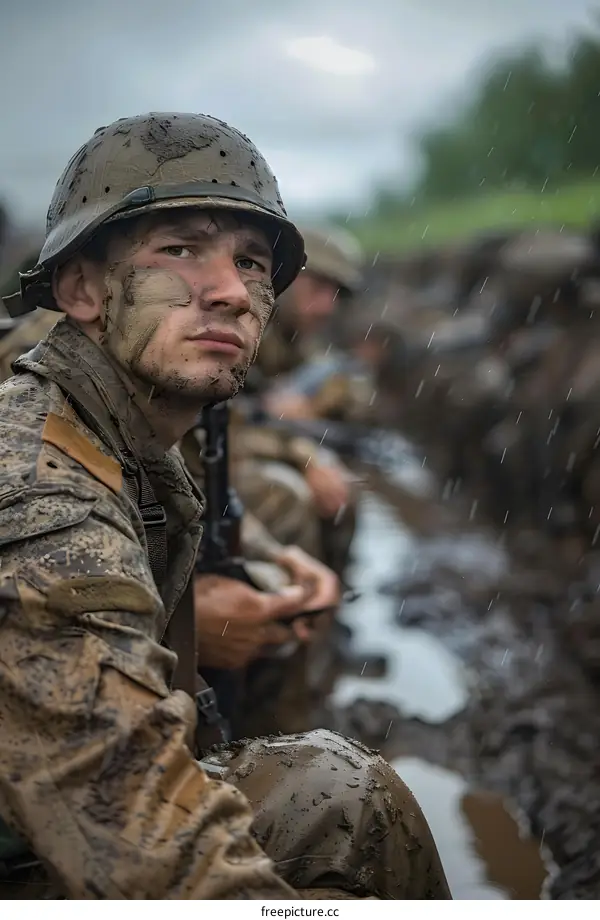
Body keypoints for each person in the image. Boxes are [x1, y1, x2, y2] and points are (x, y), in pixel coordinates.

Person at [0, 112, 450, 900]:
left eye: (251, 263)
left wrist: (268, 559)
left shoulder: (130, 414)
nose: (232, 291)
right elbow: (144, 849)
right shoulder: (44, 491)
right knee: (346, 798)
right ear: (79, 289)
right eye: (179, 250)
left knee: (338, 795)